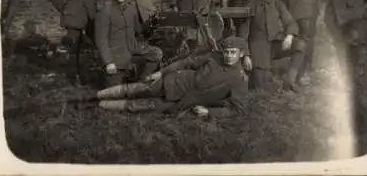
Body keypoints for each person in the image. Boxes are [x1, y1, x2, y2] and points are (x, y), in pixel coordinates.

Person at [85, 36, 250, 118]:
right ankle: (93, 96)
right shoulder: (214, 57)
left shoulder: (239, 79)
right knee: (136, 88)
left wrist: (209, 112)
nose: (228, 56)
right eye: (227, 52)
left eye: (233, 53)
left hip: (182, 102)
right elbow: (187, 62)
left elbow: (238, 109)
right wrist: (161, 72)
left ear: (241, 54)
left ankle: (100, 105)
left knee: (140, 106)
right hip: (174, 81)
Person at [238, 0, 306, 91]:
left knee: (301, 45)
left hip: (276, 43)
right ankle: (269, 79)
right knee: (260, 86)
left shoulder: (277, 3)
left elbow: (291, 23)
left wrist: (289, 36)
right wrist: (246, 55)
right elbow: (243, 33)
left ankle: (289, 81)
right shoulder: (251, 5)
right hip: (259, 48)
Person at [94, 0, 163, 87]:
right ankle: (127, 78)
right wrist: (108, 62)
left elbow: (138, 30)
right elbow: (101, 39)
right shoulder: (105, 11)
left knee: (156, 53)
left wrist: (151, 24)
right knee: (114, 91)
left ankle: (142, 81)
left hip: (132, 50)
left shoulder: (131, 9)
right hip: (116, 56)